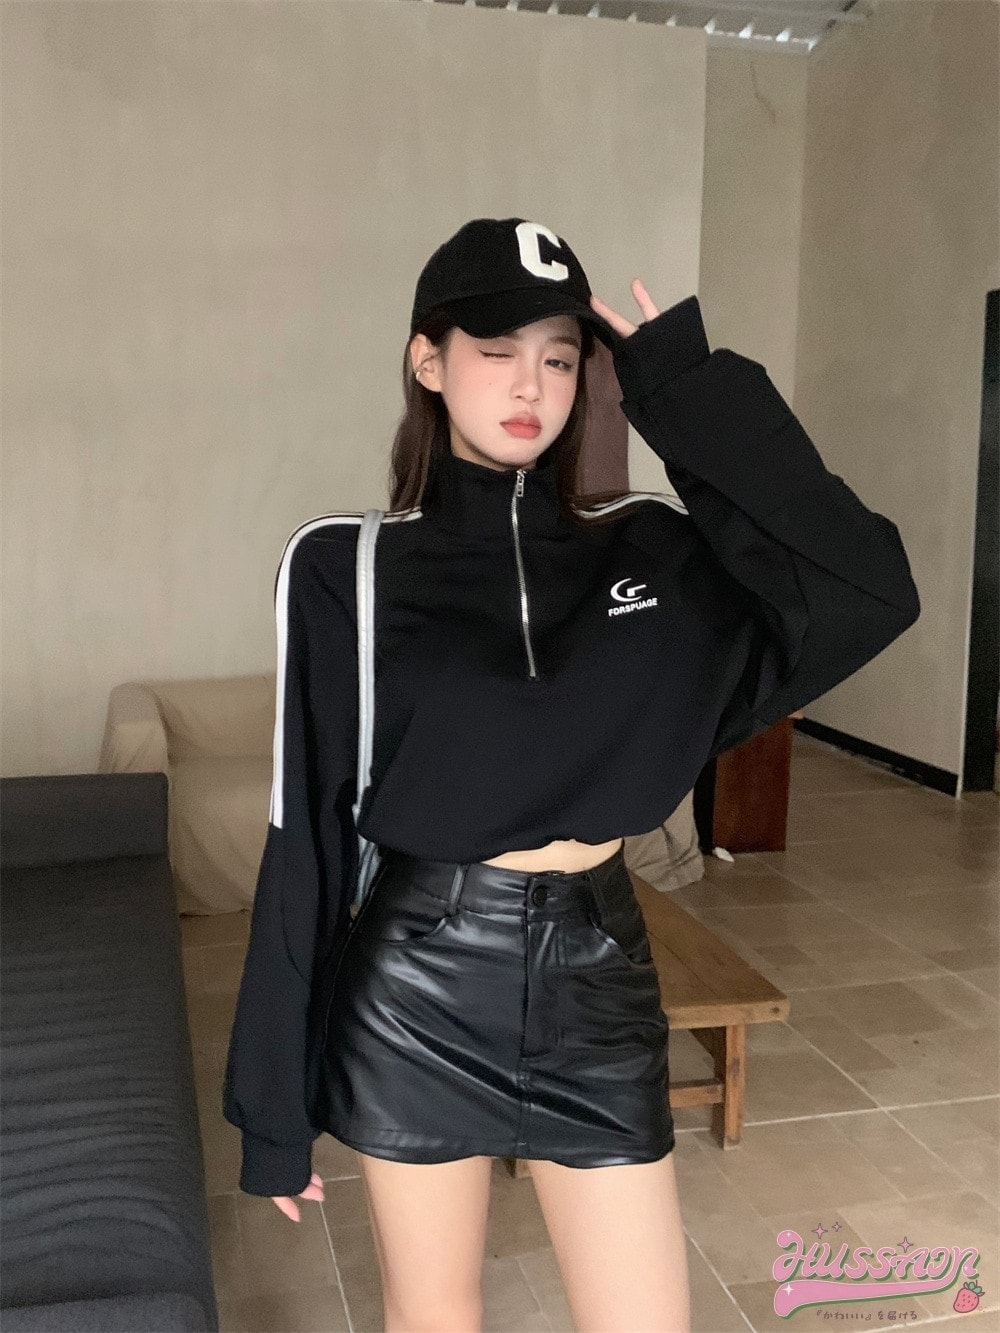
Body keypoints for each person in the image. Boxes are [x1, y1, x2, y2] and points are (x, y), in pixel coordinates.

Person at [223, 217, 921, 1332]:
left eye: (558, 358)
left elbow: (864, 591)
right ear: (427, 360)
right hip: (417, 983)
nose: (528, 386)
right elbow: (303, 833)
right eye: (495, 350)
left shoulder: (652, 548)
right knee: (433, 1316)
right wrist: (272, 1109)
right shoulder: (345, 566)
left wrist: (681, 387)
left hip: (599, 972)